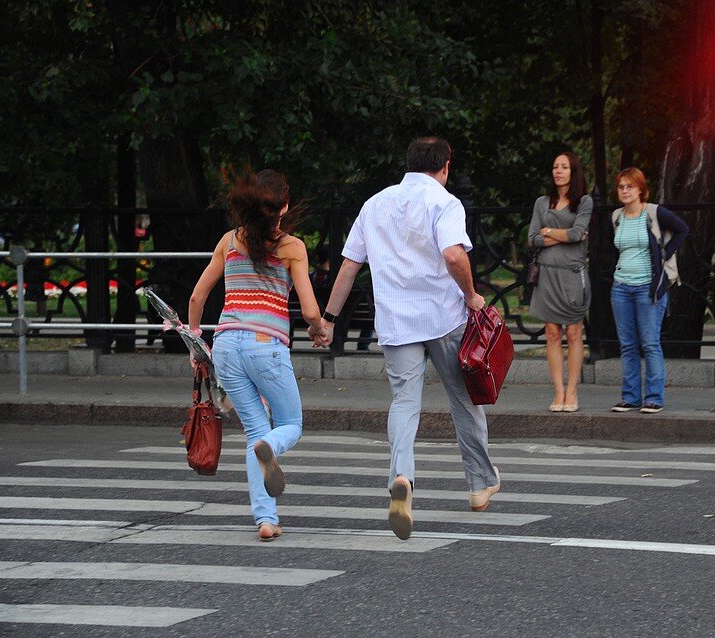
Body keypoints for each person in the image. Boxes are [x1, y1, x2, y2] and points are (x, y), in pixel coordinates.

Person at [310, 137, 500, 541]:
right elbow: (453, 256)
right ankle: (479, 485)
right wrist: (471, 295)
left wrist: (328, 319)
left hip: (396, 322)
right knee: (463, 400)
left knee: (403, 404)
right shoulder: (444, 203)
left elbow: (348, 268)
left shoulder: (375, 203)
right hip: (444, 319)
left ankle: (402, 477)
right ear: (445, 165)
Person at [189, 168, 323, 542]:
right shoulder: (292, 247)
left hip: (227, 346)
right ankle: (270, 450)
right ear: (283, 207)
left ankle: (266, 520)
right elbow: (311, 311)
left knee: (255, 433)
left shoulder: (229, 241)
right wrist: (319, 330)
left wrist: (196, 342)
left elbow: (197, 297)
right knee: (290, 425)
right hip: (267, 346)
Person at [609, 167, 689, 414]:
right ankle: (630, 397)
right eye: (621, 186)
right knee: (628, 345)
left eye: (629, 186)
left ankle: (654, 397)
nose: (625, 191)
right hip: (621, 286)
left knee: (650, 343)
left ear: (640, 190)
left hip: (648, 287)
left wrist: (665, 253)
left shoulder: (653, 213)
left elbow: (682, 229)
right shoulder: (616, 217)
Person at [527, 151, 593, 412]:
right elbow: (532, 238)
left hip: (572, 274)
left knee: (574, 333)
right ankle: (559, 391)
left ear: (573, 171)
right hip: (547, 273)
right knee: (552, 334)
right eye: (555, 166)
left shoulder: (584, 202)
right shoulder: (542, 203)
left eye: (564, 167)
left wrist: (549, 232)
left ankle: (573, 392)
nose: (558, 171)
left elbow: (579, 233)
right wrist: (561, 236)